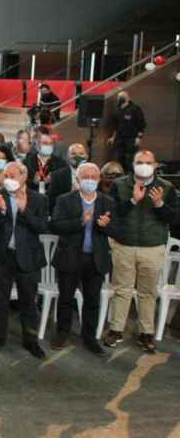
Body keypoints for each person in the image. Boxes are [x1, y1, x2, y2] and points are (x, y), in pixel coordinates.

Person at [104, 150, 177, 353]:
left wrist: (159, 204)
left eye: (147, 162)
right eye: (139, 162)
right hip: (124, 245)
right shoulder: (120, 184)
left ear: (155, 165)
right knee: (122, 289)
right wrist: (133, 201)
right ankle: (116, 329)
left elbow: (174, 219)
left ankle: (146, 333)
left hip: (152, 247)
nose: (143, 165)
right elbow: (114, 215)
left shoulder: (167, 187)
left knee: (148, 292)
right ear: (133, 164)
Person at [49, 162, 118, 355]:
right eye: (85, 177)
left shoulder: (108, 202)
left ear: (99, 179)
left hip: (95, 259)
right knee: (65, 299)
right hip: (70, 257)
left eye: (93, 177)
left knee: (92, 301)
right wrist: (80, 221)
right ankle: (62, 333)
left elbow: (118, 231)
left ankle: (89, 338)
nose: (89, 180)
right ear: (78, 179)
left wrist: (106, 226)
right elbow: (55, 225)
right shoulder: (65, 200)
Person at [0, 161, 49, 358]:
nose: (9, 180)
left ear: (24, 177)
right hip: (1, 256)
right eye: (6, 176)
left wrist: (24, 210)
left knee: (29, 302)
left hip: (28, 258)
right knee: (0, 300)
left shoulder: (38, 199)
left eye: (13, 176)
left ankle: (31, 341)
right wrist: (2, 211)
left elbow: (42, 227)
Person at [107, 91, 145, 173]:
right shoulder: (117, 110)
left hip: (131, 138)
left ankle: (131, 175)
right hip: (119, 138)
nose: (120, 99)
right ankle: (123, 175)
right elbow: (116, 126)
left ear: (128, 98)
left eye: (123, 97)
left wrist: (139, 137)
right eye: (119, 97)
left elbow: (141, 124)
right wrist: (113, 137)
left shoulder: (135, 108)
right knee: (120, 157)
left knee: (130, 159)